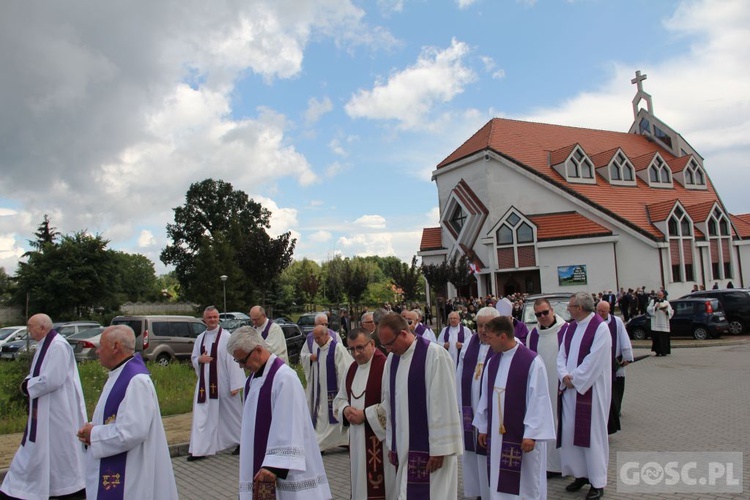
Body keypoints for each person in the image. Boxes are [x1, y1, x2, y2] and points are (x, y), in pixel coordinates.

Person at [228, 326, 331, 499]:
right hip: (260, 463)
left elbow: (290, 423)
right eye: (237, 361)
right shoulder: (251, 381)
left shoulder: (284, 378)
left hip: (284, 470)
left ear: (258, 350)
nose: (241, 366)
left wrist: (274, 465)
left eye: (243, 361)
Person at [77, 325, 178, 499]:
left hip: (130, 472)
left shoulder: (135, 380)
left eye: (101, 346)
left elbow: (132, 432)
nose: (97, 351)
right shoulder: (120, 374)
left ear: (115, 347)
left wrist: (94, 434)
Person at [0, 314, 87, 499]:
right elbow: (36, 374)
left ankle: (67, 487)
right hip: (46, 407)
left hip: (58, 409)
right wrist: (29, 382)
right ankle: (34, 486)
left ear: (42, 328)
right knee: (42, 448)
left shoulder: (58, 346)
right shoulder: (45, 345)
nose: (28, 331)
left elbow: (52, 379)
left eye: (30, 327)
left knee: (59, 450)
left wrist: (27, 385)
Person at [379, 313, 463, 499]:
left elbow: (444, 403)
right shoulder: (393, 360)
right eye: (384, 346)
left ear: (402, 333)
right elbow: (391, 404)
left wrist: (440, 449)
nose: (388, 350)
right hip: (403, 446)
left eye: (390, 343)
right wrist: (392, 444)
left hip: (431, 451)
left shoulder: (434, 355)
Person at [474, 316, 555, 499]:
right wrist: (484, 427)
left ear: (503, 336)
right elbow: (485, 398)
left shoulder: (532, 362)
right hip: (497, 435)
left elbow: (539, 400)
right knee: (499, 477)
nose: (488, 342)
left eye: (491, 337)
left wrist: (531, 434)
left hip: (522, 437)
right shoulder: (493, 362)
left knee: (525, 482)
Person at [557, 292, 612, 500]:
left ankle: (597, 481)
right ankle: (580, 474)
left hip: (591, 391)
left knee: (592, 435)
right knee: (572, 432)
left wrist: (576, 379)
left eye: (570, 306)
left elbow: (595, 360)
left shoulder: (600, 328)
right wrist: (563, 376)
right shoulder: (571, 328)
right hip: (570, 391)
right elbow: (561, 355)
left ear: (579, 308)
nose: (568, 309)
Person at [333, 327, 393, 499]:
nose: (356, 353)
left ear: (372, 343)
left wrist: (365, 415)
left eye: (360, 347)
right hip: (357, 440)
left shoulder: (385, 366)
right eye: (351, 349)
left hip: (379, 441)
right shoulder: (351, 369)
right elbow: (340, 399)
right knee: (360, 484)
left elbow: (392, 404)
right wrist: (345, 410)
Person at [188, 306, 246, 461]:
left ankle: (242, 441)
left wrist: (236, 384)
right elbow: (194, 357)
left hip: (225, 382)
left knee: (233, 414)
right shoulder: (200, 338)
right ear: (204, 319)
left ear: (218, 318)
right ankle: (199, 449)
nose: (212, 320)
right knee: (202, 415)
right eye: (209, 318)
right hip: (205, 385)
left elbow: (234, 361)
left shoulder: (227, 337)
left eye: (215, 317)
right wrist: (200, 359)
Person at [456, 306, 500, 499]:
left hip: (491, 411)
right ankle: (476, 491)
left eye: (487, 326)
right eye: (480, 325)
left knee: (489, 453)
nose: (482, 330)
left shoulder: (502, 345)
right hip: (469, 408)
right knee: (471, 452)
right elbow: (459, 374)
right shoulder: (469, 343)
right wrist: (458, 403)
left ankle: (491, 493)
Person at [526, 298, 569, 477]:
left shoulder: (565, 331)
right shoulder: (532, 335)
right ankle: (549, 465)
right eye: (538, 314)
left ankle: (564, 465)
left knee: (562, 423)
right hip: (541, 387)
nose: (542, 317)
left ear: (552, 310)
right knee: (545, 421)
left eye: (545, 312)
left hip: (561, 386)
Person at [306, 325, 352, 451]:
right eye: (315, 338)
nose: (316, 341)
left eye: (318, 338)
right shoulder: (320, 350)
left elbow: (345, 369)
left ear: (327, 335)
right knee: (322, 416)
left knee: (333, 416)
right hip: (323, 392)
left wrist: (342, 391)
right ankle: (326, 443)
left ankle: (328, 443)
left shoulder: (337, 348)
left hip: (335, 391)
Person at [596, 301, 634, 435]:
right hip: (600, 364)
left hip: (615, 361)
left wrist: (627, 356)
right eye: (598, 311)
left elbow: (624, 338)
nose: (600, 314)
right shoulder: (594, 323)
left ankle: (616, 410)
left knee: (616, 390)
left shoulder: (616, 322)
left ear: (609, 310)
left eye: (603, 311)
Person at [299, 313, 338, 383]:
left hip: (330, 372)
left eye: (326, 324)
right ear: (315, 324)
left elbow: (340, 354)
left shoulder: (335, 336)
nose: (324, 327)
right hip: (316, 372)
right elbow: (303, 354)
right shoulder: (310, 338)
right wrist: (310, 357)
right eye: (322, 324)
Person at [647, 290, 673, 357]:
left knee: (664, 339)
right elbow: (648, 309)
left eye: (661, 295)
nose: (659, 296)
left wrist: (666, 311)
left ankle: (664, 351)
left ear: (663, 295)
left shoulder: (666, 302)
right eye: (658, 295)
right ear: (656, 295)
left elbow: (671, 311)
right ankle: (657, 352)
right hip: (656, 323)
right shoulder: (653, 302)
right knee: (657, 338)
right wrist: (655, 307)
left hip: (664, 322)